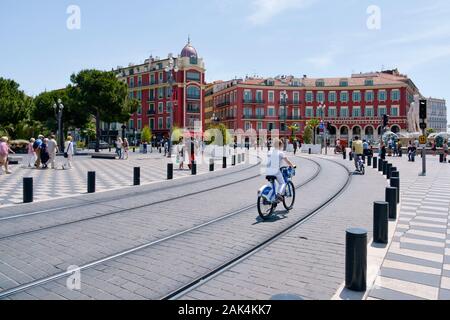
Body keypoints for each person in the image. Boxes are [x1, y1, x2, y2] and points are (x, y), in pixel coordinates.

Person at [266, 138, 296, 202]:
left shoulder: (269, 152)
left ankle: (271, 198)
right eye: (282, 145)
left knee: (273, 185)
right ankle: (279, 195)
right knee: (282, 183)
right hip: (275, 171)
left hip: (268, 171)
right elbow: (287, 161)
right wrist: (292, 166)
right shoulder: (280, 153)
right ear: (280, 145)